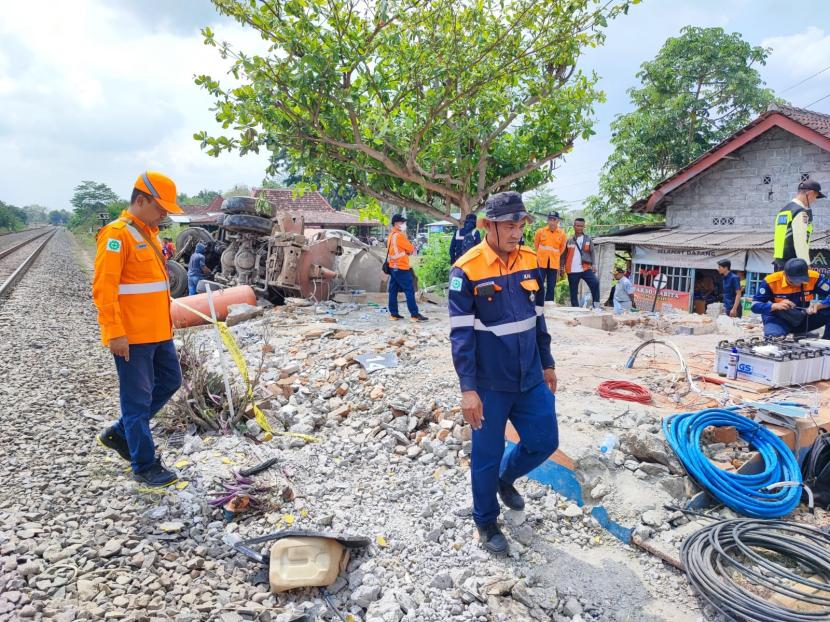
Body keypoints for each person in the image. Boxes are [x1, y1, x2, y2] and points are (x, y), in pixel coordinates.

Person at [448, 191, 558, 555]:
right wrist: (468, 390)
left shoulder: (530, 259)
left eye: (521, 224)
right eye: (510, 225)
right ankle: (485, 521)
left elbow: (538, 320)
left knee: (545, 441)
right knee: (485, 454)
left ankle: (505, 478)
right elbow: (461, 335)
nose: (517, 232)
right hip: (490, 385)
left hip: (529, 378)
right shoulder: (466, 269)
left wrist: (548, 364)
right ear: (488, 225)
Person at [92, 171, 184, 488]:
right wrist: (114, 332)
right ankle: (144, 465)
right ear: (141, 200)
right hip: (132, 338)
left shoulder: (148, 233)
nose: (165, 214)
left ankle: (120, 432)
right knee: (137, 402)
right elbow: (104, 290)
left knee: (171, 380)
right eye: (161, 208)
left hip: (159, 332)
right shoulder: (116, 235)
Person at [751, 258, 830, 339]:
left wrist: (821, 305)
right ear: (785, 274)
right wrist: (775, 305)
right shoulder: (771, 281)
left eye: (802, 280)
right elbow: (754, 306)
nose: (798, 284)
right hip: (778, 320)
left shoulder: (814, 277)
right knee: (773, 338)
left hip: (803, 318)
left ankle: (826, 343)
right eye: (794, 281)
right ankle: (783, 333)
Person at [773, 180, 826, 270]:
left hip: (779, 262)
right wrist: (806, 264)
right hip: (794, 265)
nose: (814, 201)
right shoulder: (800, 212)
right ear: (810, 193)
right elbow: (800, 241)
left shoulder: (783, 211)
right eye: (815, 197)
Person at [387, 214, 428, 322]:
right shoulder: (399, 236)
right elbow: (410, 249)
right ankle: (414, 315)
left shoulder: (391, 235)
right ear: (396, 224)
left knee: (393, 291)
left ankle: (394, 314)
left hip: (393, 267)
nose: (404, 224)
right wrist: (407, 249)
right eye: (402, 223)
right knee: (409, 290)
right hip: (401, 267)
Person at [562, 218, 600, 307]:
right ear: (574, 226)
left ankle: (596, 306)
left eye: (581, 226)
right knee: (573, 291)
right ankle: (575, 309)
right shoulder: (569, 240)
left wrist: (594, 264)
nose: (579, 228)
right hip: (572, 270)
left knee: (595, 283)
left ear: (584, 227)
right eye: (577, 226)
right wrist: (561, 267)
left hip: (585, 268)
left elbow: (592, 252)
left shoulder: (588, 239)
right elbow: (563, 255)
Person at [533, 212, 567, 306]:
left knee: (551, 285)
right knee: (539, 283)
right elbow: (536, 245)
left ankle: (549, 304)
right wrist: (541, 255)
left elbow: (562, 248)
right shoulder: (540, 231)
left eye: (554, 219)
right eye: (550, 219)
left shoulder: (562, 234)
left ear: (558, 221)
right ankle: (537, 303)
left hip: (553, 263)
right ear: (547, 220)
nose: (552, 222)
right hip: (541, 262)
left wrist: (555, 256)